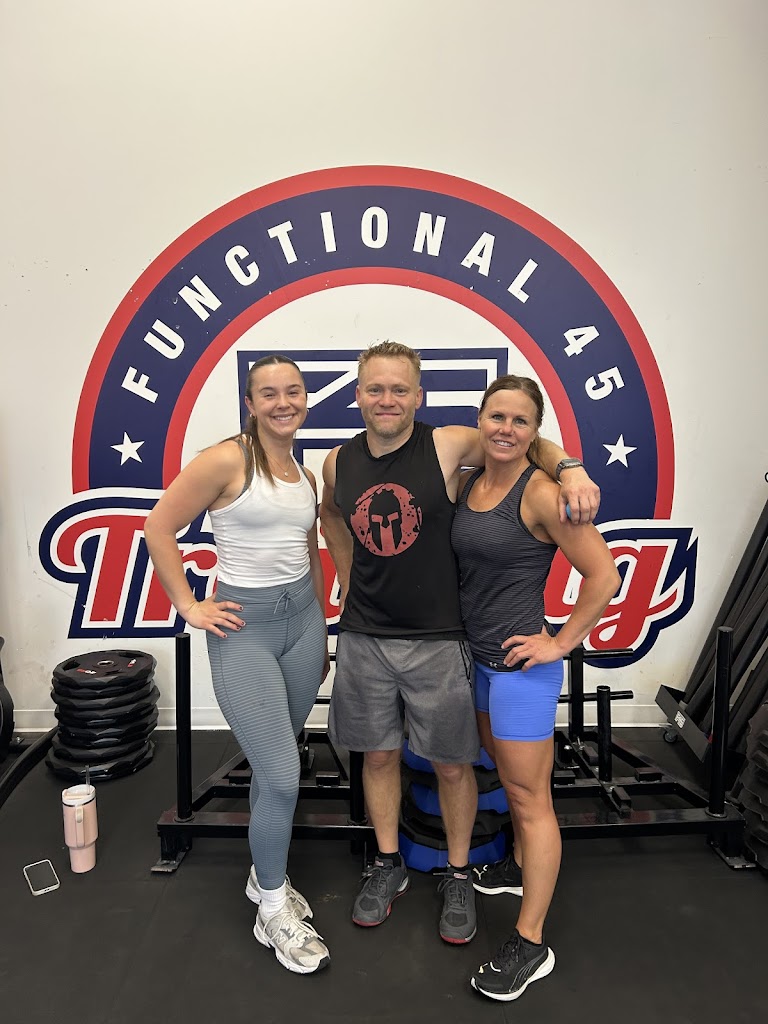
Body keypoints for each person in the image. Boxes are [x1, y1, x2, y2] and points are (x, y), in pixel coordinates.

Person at [319, 341, 601, 946]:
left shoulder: (449, 445)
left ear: (419, 396)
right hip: (369, 635)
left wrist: (572, 468)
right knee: (378, 756)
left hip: (442, 641)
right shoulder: (338, 463)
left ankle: (459, 874)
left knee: (456, 765)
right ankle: (388, 862)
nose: (388, 399)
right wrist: (345, 577)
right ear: (358, 394)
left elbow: (522, 439)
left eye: (400, 389)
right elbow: (333, 517)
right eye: (376, 388)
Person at [144, 354, 331, 976]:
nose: (284, 403)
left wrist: (319, 625)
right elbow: (158, 526)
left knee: (277, 765)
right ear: (250, 404)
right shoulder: (227, 459)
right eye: (269, 393)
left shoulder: (303, 472)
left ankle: (262, 874)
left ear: (306, 399)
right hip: (244, 628)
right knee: (281, 773)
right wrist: (188, 605)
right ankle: (272, 908)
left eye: (294, 391)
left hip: (302, 621)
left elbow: (307, 548)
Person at [450, 374, 620, 1001]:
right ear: (481, 419)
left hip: (521, 668)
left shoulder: (543, 494)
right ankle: (519, 866)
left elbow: (603, 576)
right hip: (476, 660)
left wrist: (560, 642)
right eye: (497, 417)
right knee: (503, 770)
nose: (506, 429)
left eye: (520, 421)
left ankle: (530, 941)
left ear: (535, 430)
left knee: (528, 799)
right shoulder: (469, 481)